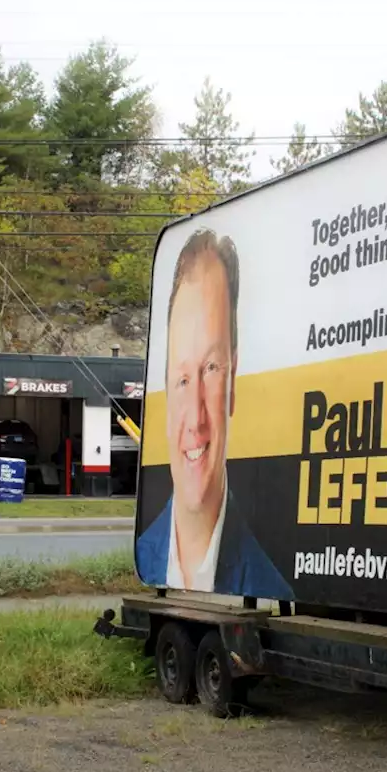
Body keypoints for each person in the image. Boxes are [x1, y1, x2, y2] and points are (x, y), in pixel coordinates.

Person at [135, 229, 293, 600]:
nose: (196, 418)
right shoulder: (144, 556)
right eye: (182, 378)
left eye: (211, 369)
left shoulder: (270, 587)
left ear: (234, 378)